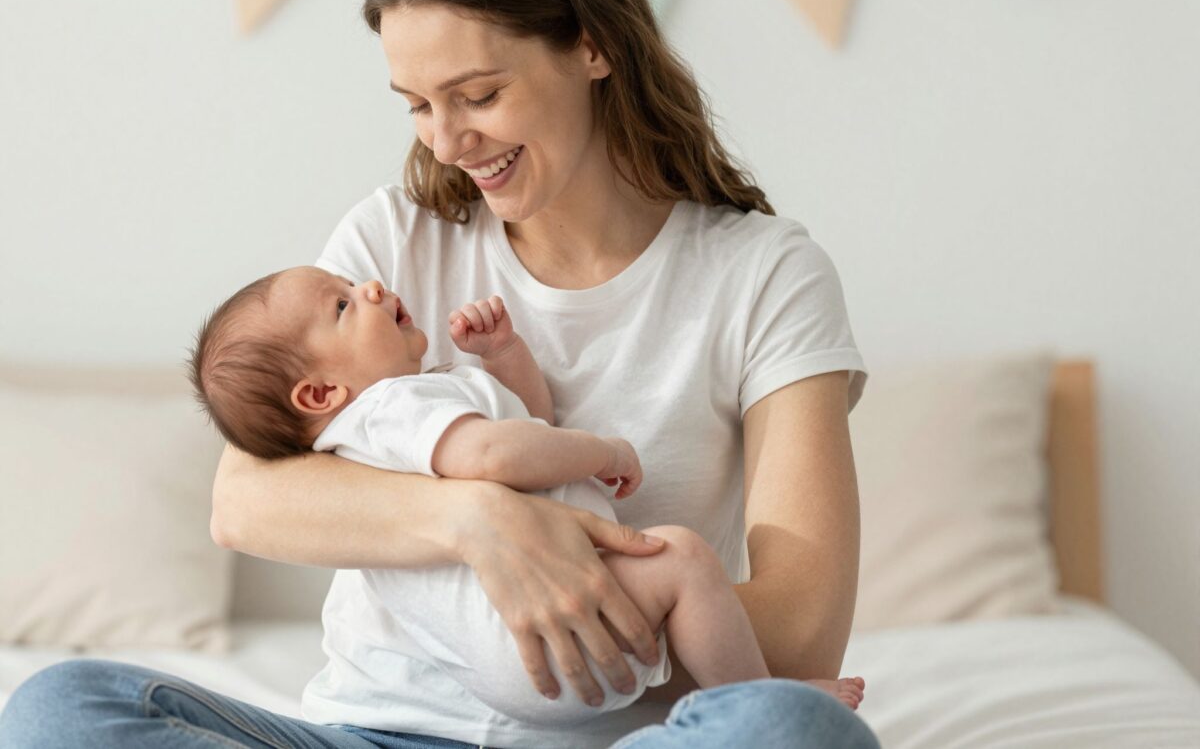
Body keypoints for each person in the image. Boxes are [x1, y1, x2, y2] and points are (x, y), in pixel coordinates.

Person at [0, 0, 880, 749]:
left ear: (594, 46)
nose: (447, 142)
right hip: (370, 734)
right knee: (60, 708)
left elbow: (803, 632)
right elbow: (245, 500)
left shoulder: (766, 275)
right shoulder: (392, 240)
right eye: (419, 105)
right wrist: (485, 524)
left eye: (479, 95)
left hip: (621, 741)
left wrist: (581, 623)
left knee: (791, 726)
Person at [186, 266, 866, 726]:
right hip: (533, 641)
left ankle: (753, 715)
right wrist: (604, 451)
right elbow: (498, 454)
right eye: (341, 305)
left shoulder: (411, 403)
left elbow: (523, 425)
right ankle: (748, 704)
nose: (367, 286)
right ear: (320, 395)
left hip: (524, 660)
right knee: (685, 560)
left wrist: (503, 355)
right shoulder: (389, 409)